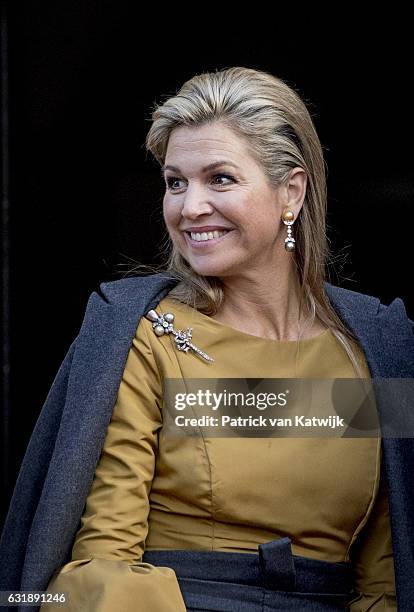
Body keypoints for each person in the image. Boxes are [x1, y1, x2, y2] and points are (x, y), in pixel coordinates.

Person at [1, 66, 413, 611]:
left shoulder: (371, 348)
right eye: (176, 182)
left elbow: (387, 577)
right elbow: (106, 558)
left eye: (219, 178)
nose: (188, 206)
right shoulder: (149, 336)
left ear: (291, 191)